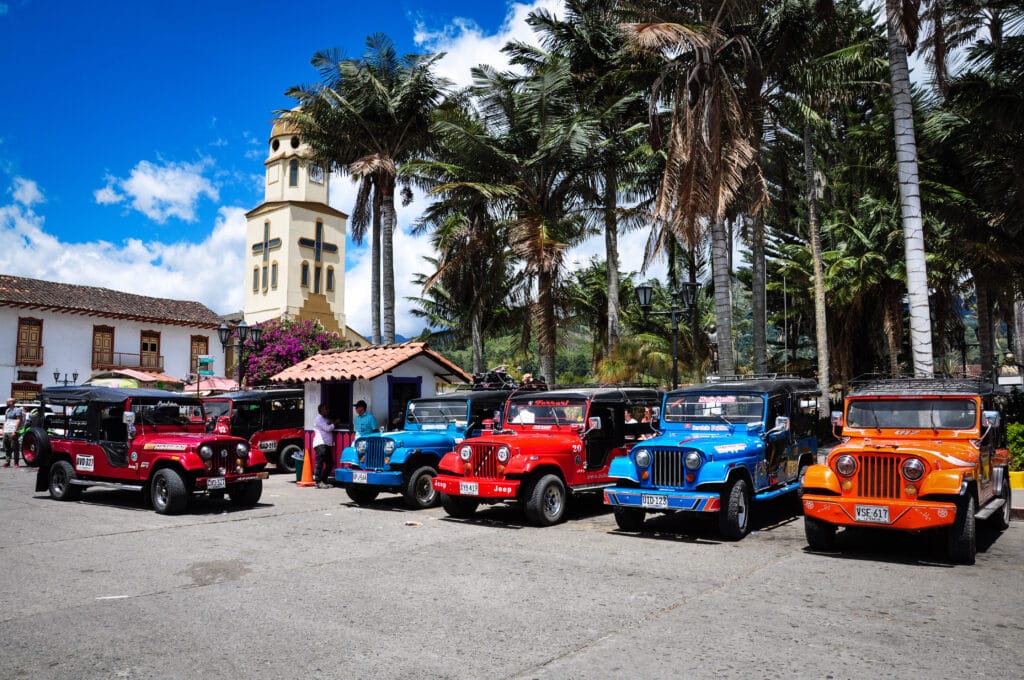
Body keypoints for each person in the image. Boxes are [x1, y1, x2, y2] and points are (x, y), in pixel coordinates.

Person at [312, 403, 338, 489]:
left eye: (327, 409)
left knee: (330, 463)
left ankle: (323, 480)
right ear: (320, 411)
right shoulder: (318, 419)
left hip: (325, 444)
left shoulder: (325, 419)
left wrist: (332, 422)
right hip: (320, 444)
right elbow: (327, 428)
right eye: (325, 409)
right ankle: (318, 482)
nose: (327, 410)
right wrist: (335, 423)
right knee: (319, 463)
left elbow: (328, 423)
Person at [3, 398, 24, 467]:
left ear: (11, 402)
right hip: (7, 430)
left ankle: (16, 463)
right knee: (7, 447)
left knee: (15, 447)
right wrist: (3, 430)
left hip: (13, 431)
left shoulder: (17, 410)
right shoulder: (7, 410)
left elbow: (18, 420)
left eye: (7, 401)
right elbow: (6, 421)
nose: (6, 403)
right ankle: (7, 462)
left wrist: (15, 431)